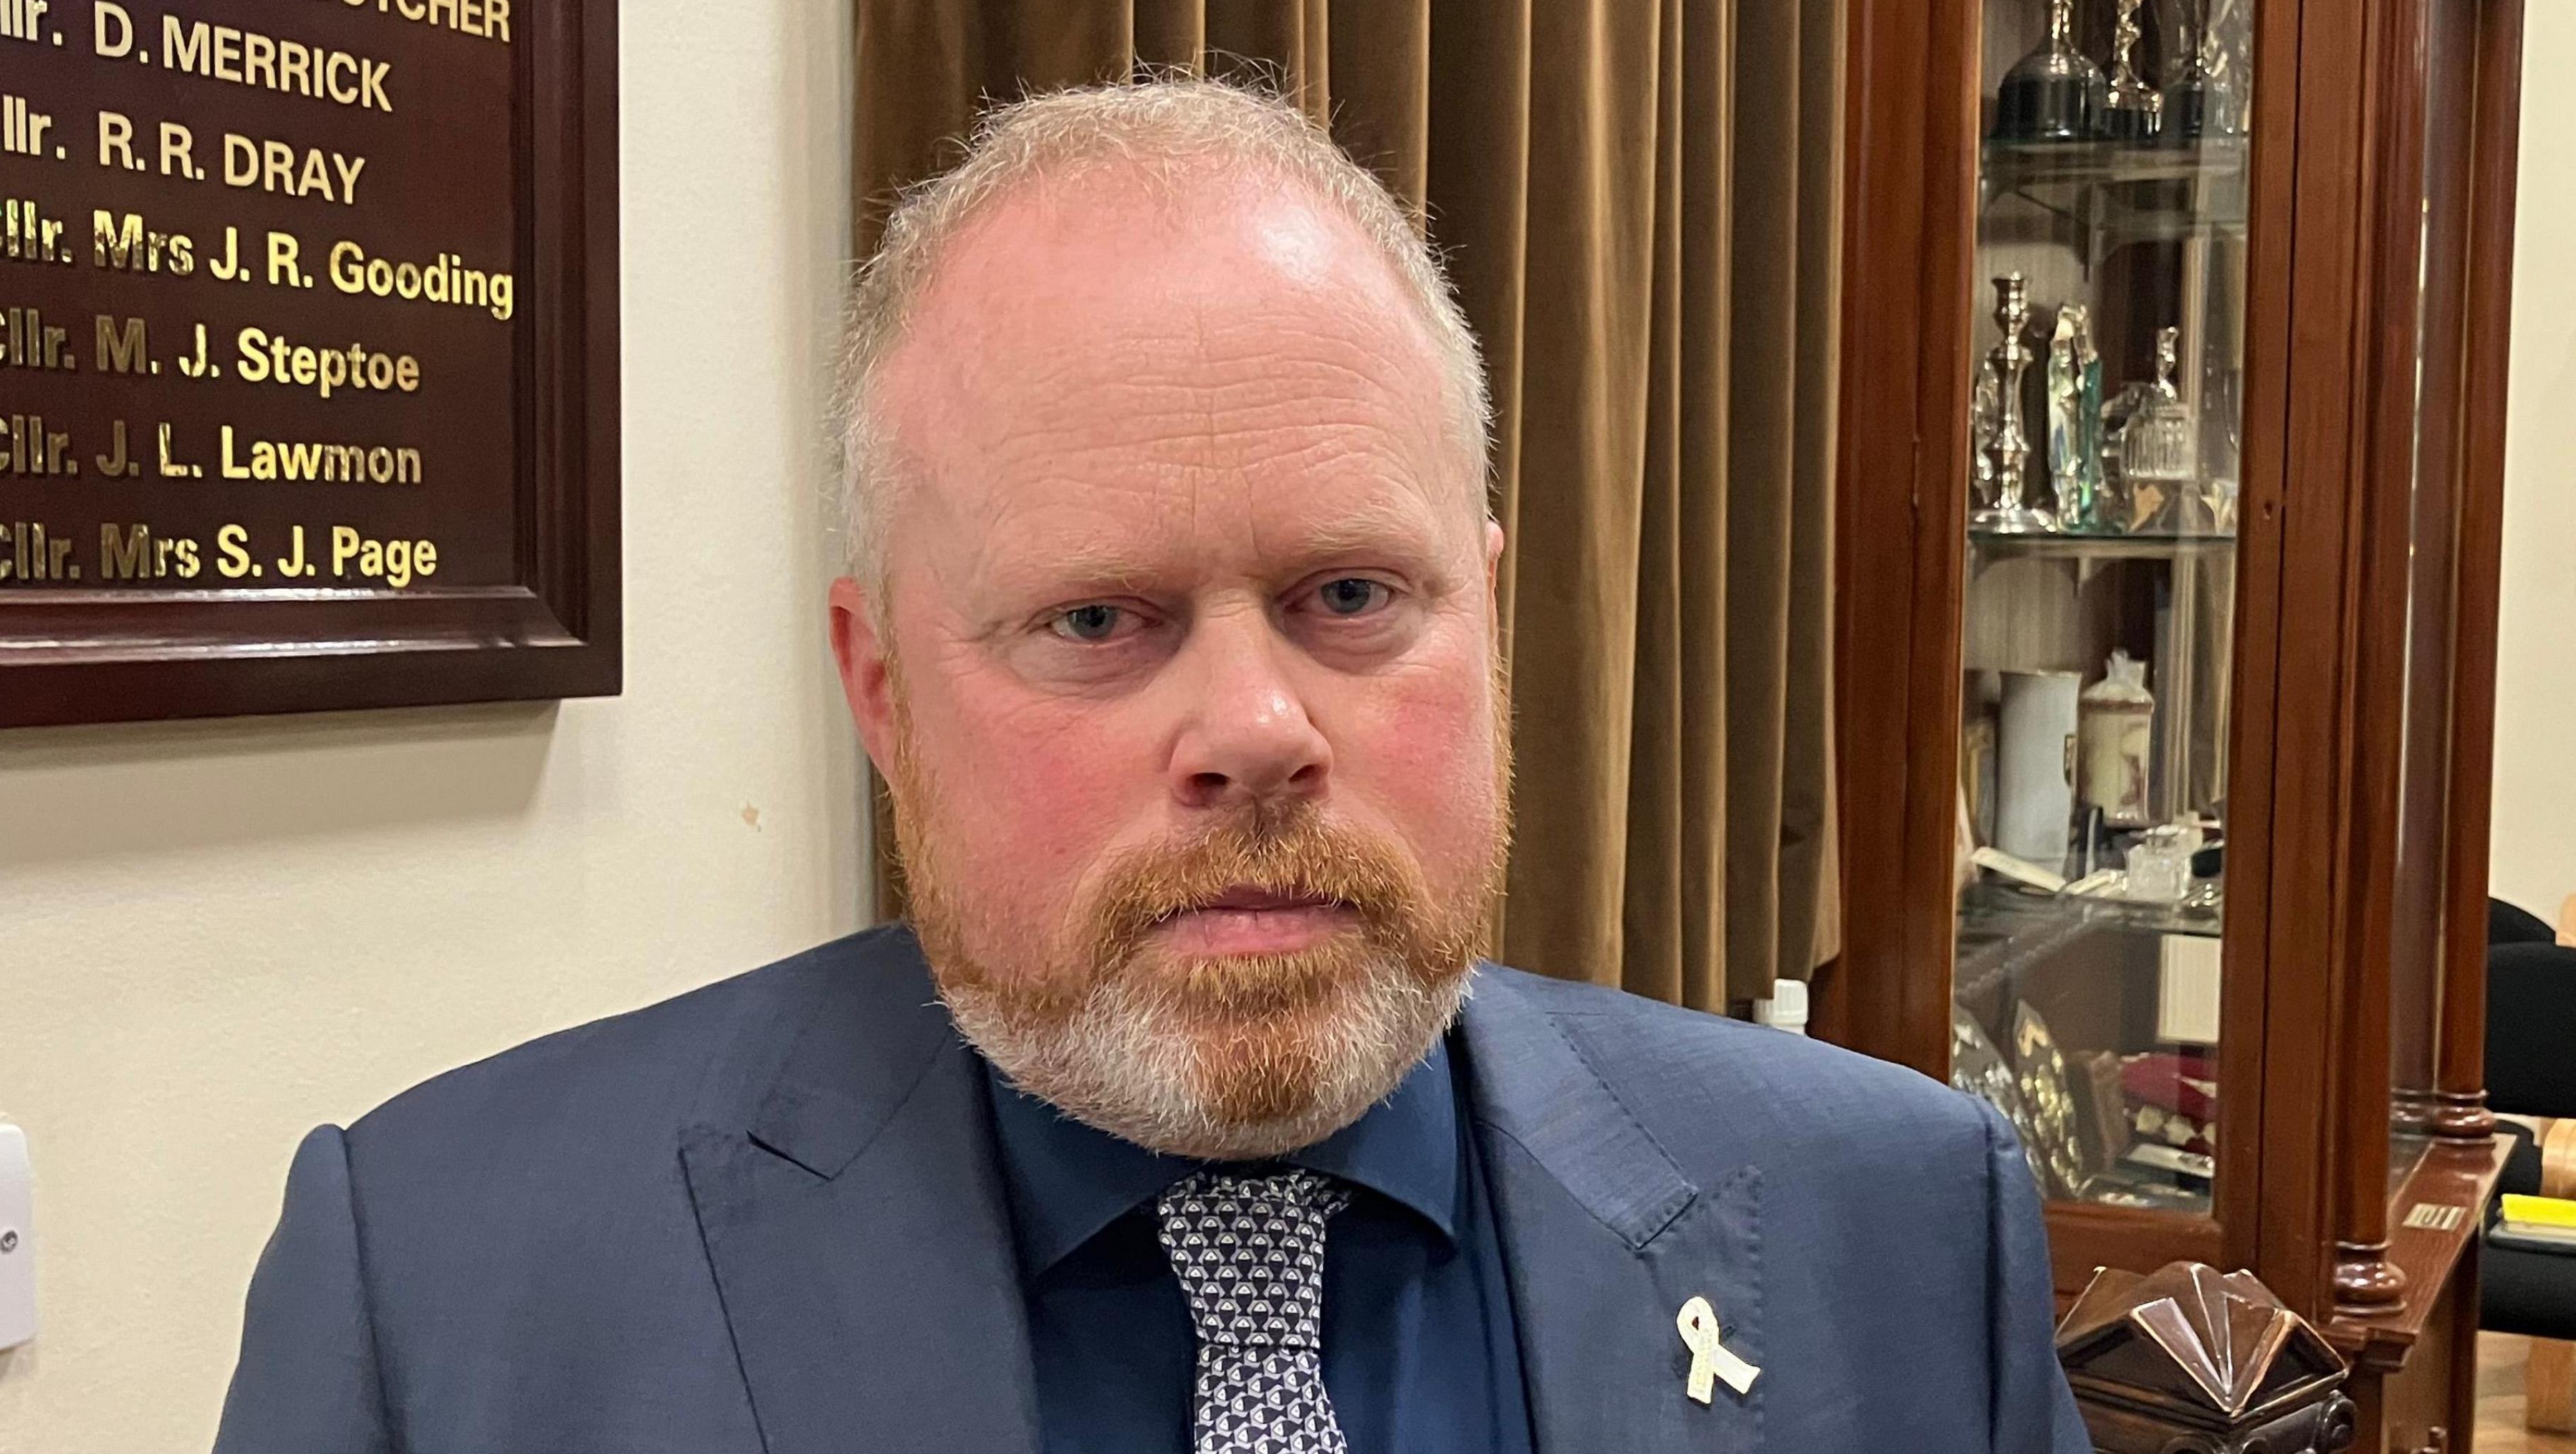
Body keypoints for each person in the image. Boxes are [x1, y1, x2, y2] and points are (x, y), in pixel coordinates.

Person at [212, 77, 2089, 1454]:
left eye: (1352, 594)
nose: (1260, 732)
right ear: (879, 689)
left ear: (1491, 619)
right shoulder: (446, 1297)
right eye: (1098, 622)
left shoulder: (1901, 1229)